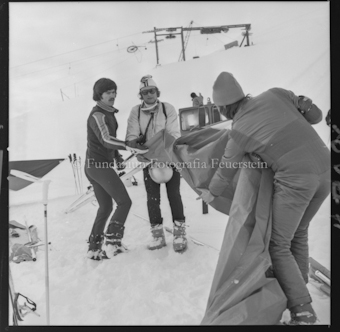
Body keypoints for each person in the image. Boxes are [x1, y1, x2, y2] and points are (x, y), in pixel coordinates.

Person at [198, 72, 330, 325]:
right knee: (298, 232)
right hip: (325, 171)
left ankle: (302, 311)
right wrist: (306, 103)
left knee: (277, 245)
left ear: (224, 108)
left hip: (296, 181)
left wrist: (211, 192)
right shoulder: (277, 93)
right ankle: (297, 287)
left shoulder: (239, 130)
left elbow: (227, 166)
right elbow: (316, 117)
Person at [85, 78, 148, 260]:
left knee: (105, 207)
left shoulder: (107, 113)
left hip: (96, 165)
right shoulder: (98, 115)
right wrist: (129, 146)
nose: (113, 95)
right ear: (99, 94)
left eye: (114, 92)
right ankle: (112, 243)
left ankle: (94, 248)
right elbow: (105, 139)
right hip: (98, 166)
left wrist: (118, 157)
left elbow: (107, 142)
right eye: (108, 92)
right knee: (124, 202)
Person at [126, 75, 187, 253]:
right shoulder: (135, 112)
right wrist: (135, 144)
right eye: (145, 92)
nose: (149, 95)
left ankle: (180, 233)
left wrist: (158, 149)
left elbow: (173, 134)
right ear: (141, 95)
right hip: (148, 161)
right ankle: (157, 235)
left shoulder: (168, 109)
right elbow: (131, 135)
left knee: (174, 195)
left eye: (151, 91)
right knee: (152, 199)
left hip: (169, 159)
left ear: (157, 92)